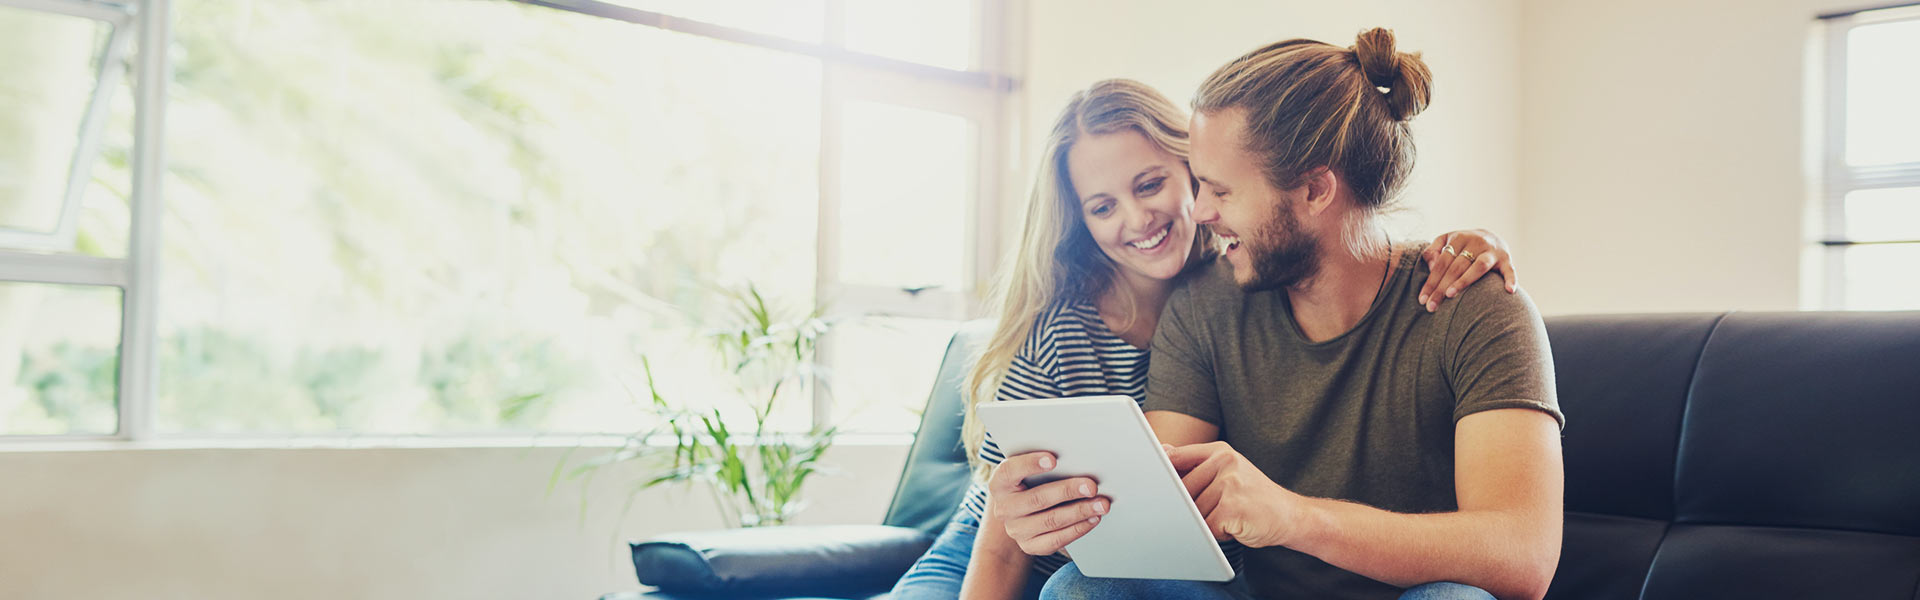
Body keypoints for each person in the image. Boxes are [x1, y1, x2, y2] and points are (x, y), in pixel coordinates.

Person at [890, 76, 1523, 600]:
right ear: (1081, 221)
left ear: (1194, 172)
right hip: (1004, 542)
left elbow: (1346, 249)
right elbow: (1005, 543)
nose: (1139, 219)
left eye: (1152, 185)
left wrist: (1472, 245)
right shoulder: (1072, 332)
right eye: (1102, 206)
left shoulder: (1248, 271)